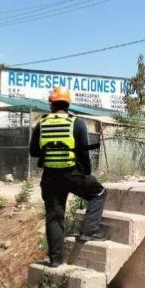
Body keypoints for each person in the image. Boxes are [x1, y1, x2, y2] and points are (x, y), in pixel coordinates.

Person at [29, 87, 107, 267]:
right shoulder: (76, 123)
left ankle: (55, 261)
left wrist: (49, 150)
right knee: (99, 193)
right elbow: (83, 154)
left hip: (49, 178)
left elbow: (33, 152)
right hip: (72, 175)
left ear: (52, 104)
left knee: (54, 217)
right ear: (68, 104)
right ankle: (90, 230)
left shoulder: (41, 124)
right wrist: (86, 174)